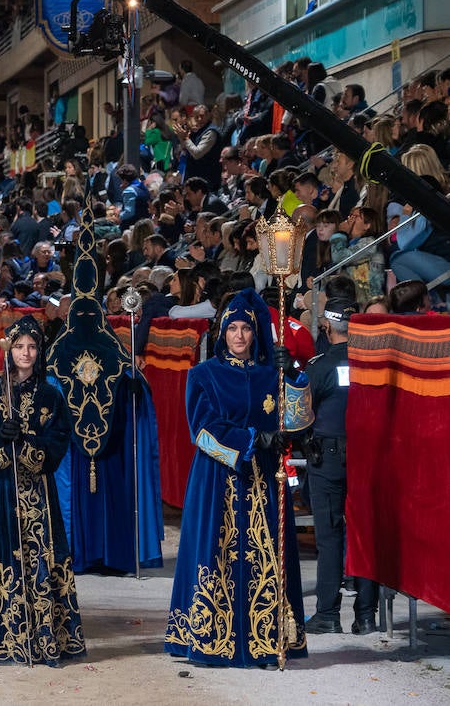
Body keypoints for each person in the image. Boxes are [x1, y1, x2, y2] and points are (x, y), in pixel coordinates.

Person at [165, 289, 307, 667]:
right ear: (223, 332)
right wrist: (251, 439)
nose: (240, 336)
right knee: (216, 553)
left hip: (264, 480)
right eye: (233, 329)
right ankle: (211, 639)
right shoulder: (203, 375)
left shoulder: (270, 374)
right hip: (218, 480)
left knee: (265, 559)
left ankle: (266, 641)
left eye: (246, 328)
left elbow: (298, 420)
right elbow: (203, 430)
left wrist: (293, 374)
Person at [44, 222, 163, 575]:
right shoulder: (68, 350)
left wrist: (132, 388)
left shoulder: (106, 347)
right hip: (76, 447)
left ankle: (109, 552)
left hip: (110, 446)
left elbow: (136, 388)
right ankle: (80, 548)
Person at [0, 315, 85, 665]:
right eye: (19, 346)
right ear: (8, 349)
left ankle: (45, 639)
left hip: (38, 494)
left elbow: (59, 441)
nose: (26, 353)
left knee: (42, 560)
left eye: (32, 346)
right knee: (0, 559)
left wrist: (29, 443)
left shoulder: (51, 393)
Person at [303, 297, 379, 636]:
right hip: (368, 457)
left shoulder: (318, 366)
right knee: (365, 535)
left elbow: (300, 415)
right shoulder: (372, 363)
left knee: (330, 537)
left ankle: (328, 614)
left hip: (329, 456)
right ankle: (366, 616)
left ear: (326, 326)